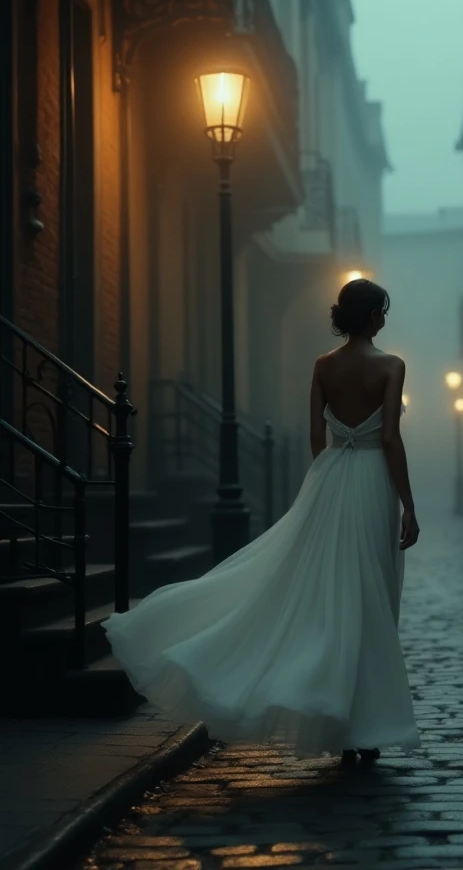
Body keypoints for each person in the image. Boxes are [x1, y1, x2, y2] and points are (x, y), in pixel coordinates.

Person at [103, 278, 421, 764]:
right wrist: (409, 504)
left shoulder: (323, 366)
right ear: (372, 314)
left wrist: (330, 478)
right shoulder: (391, 365)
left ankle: (339, 721)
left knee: (330, 593)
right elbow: (392, 441)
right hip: (374, 482)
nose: (385, 317)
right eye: (383, 309)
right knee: (371, 592)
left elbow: (317, 436)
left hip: (331, 476)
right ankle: (363, 726)